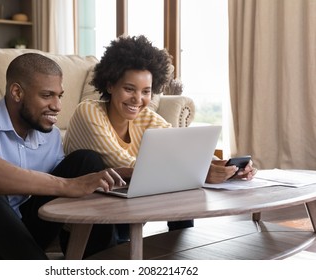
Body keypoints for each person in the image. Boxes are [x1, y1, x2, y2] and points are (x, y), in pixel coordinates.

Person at [0, 53, 126, 260]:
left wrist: (117, 175)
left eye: (60, 96)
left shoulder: (50, 136)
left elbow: (66, 183)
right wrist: (66, 185)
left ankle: (100, 265)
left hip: (18, 238)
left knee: (87, 161)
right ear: (17, 92)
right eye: (47, 95)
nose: (57, 106)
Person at [63, 35, 256, 241]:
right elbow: (126, 165)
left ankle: (181, 247)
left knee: (179, 178)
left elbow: (182, 147)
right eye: (129, 89)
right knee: (174, 175)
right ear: (110, 86)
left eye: (146, 91)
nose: (138, 99)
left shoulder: (145, 117)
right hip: (84, 226)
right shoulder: (88, 112)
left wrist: (227, 167)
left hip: (122, 210)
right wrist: (199, 172)